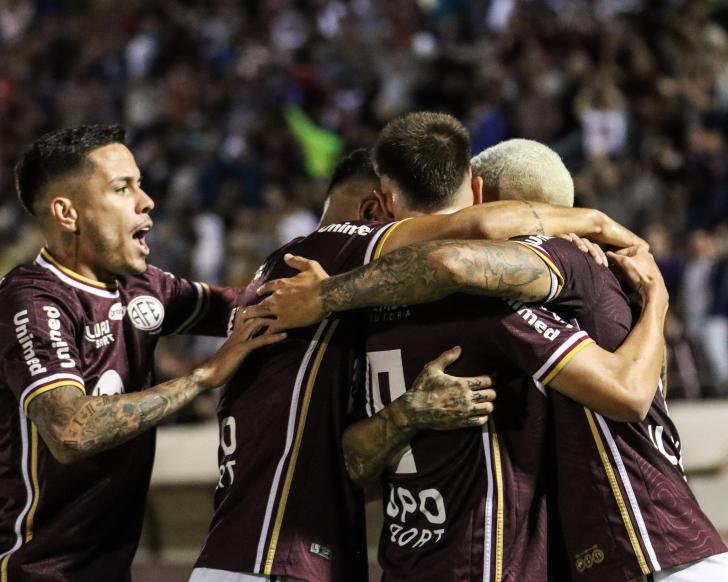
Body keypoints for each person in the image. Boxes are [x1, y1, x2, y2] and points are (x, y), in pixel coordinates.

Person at [254, 131, 728, 581]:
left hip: (648, 548)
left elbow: (627, 393)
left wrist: (323, 296)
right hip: (632, 549)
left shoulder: (554, 265)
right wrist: (403, 418)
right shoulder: (601, 285)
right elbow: (359, 470)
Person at [0, 124, 287, 582]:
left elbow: (250, 307)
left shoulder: (143, 286)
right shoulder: (32, 300)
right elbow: (70, 430)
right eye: (122, 187)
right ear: (67, 213)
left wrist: (336, 276)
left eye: (140, 183)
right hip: (34, 572)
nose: (146, 200)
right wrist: (202, 377)